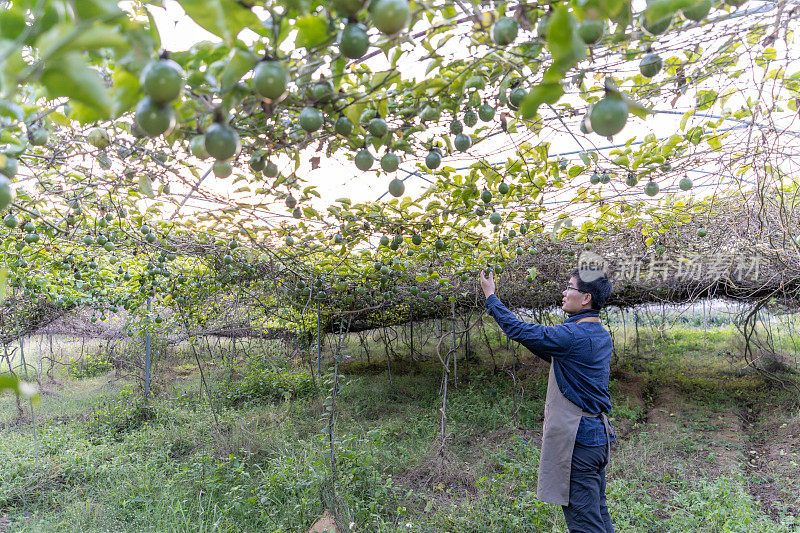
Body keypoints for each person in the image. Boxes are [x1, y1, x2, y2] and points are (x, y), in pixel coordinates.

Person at [479, 267, 615, 533]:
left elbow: (520, 330)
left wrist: (491, 297)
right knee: (596, 510)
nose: (564, 293)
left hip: (579, 439)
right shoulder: (599, 334)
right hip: (597, 436)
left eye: (570, 287)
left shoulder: (573, 336)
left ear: (585, 298)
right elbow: (557, 355)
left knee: (585, 522)